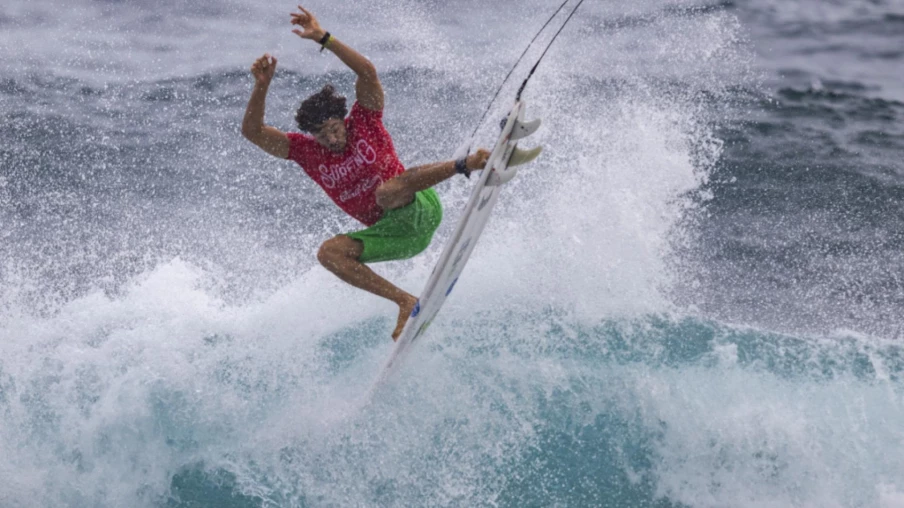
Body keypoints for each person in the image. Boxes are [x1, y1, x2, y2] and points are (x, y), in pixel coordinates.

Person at [241, 5, 490, 340]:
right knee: (328, 253)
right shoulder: (305, 152)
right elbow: (254, 133)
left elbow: (368, 73)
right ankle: (404, 301)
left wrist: (323, 38)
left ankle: (466, 164)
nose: (331, 139)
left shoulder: (363, 121)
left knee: (386, 192)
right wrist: (261, 85)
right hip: (394, 238)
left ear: (341, 120)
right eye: (322, 135)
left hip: (420, 208)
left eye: (333, 128)